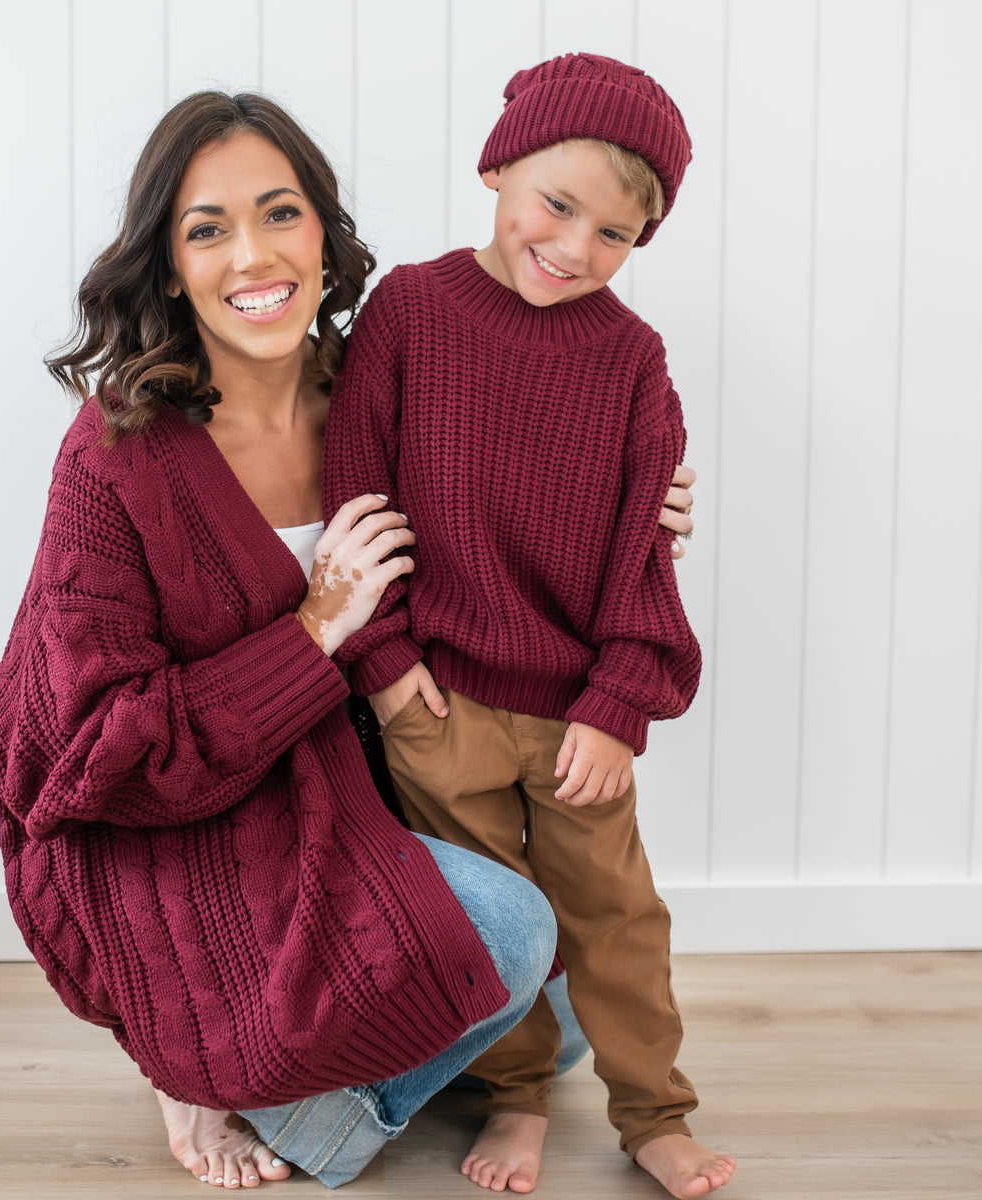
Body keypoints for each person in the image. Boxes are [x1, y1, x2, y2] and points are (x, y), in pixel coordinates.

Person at [0, 88, 697, 1192]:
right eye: (207, 229)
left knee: (565, 982)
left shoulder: (381, 378)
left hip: (357, 802)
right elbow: (91, 746)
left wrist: (639, 506)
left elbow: (530, 464)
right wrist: (316, 632)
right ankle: (232, 1078)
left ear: (324, 230)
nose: (253, 255)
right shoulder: (119, 456)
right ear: (168, 264)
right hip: (196, 830)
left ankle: (339, 1037)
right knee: (510, 929)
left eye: (281, 213)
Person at [322, 55, 735, 1198]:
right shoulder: (408, 308)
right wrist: (390, 668)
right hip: (435, 699)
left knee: (616, 917)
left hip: (575, 718)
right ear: (498, 166)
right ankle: (516, 1100)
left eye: (614, 234)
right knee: (489, 923)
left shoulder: (633, 363)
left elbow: (640, 553)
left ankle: (655, 1112)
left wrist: (616, 709)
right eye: (557, 204)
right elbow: (359, 494)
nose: (574, 245)